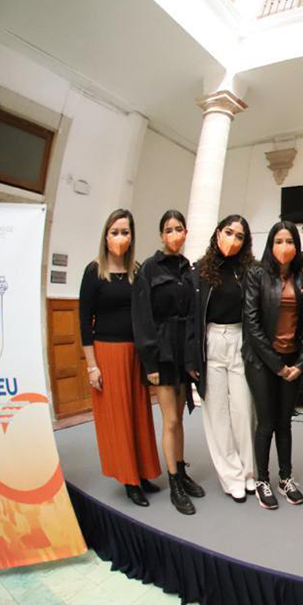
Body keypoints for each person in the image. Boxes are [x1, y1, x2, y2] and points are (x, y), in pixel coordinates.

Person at [79, 209, 161, 507]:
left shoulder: (136, 271)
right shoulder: (93, 271)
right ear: (106, 236)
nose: (120, 237)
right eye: (115, 232)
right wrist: (92, 366)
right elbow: (84, 322)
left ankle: (142, 472)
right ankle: (129, 479)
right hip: (108, 352)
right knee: (119, 418)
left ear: (132, 237)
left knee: (139, 415)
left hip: (135, 353)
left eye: (125, 232)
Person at [132, 210, 205, 515]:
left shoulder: (189, 269)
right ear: (161, 235)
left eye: (179, 229)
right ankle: (174, 481)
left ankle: (182, 470)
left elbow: (193, 314)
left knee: (181, 419)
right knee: (171, 420)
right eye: (169, 230)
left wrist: (192, 357)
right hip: (160, 352)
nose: (174, 234)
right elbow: (142, 318)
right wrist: (149, 362)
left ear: (186, 232)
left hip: (182, 351)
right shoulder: (149, 268)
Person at [243, 221, 303, 510]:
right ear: (271, 245)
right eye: (279, 241)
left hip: (291, 359)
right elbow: (252, 323)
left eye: (290, 242)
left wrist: (300, 362)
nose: (285, 247)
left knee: (285, 422)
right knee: (267, 422)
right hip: (261, 361)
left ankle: (286, 478)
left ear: (297, 246)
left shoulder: (302, 278)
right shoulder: (256, 274)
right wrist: (277, 366)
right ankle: (262, 479)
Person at [192, 215, 256, 503]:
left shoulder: (250, 271)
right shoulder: (200, 270)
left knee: (244, 410)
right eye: (228, 232)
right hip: (212, 340)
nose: (233, 240)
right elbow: (191, 316)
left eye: (239, 236)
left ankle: (249, 473)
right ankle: (231, 476)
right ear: (217, 233)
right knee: (217, 413)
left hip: (241, 339)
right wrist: (192, 359)